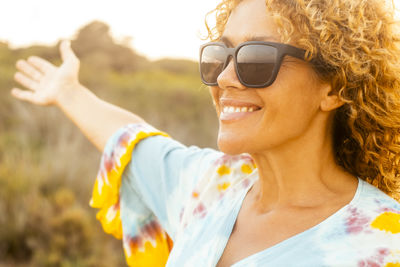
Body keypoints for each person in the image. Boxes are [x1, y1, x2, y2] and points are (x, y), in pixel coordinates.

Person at [11, 0, 400, 266]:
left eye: (256, 58)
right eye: (220, 56)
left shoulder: (382, 245)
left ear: (334, 87)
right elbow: (133, 140)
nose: (226, 78)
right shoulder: (211, 186)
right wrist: (68, 92)